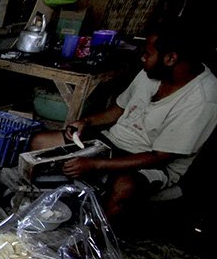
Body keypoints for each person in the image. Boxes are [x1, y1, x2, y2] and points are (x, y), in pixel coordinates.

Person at [29, 20, 217, 223]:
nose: (142, 58)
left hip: (151, 162)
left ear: (171, 58)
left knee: (124, 187)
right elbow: (119, 109)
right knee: (40, 142)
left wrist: (96, 164)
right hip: (112, 142)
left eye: (148, 53)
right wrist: (86, 121)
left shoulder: (203, 99)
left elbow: (160, 156)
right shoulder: (152, 71)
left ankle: (93, 241)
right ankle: (50, 210)